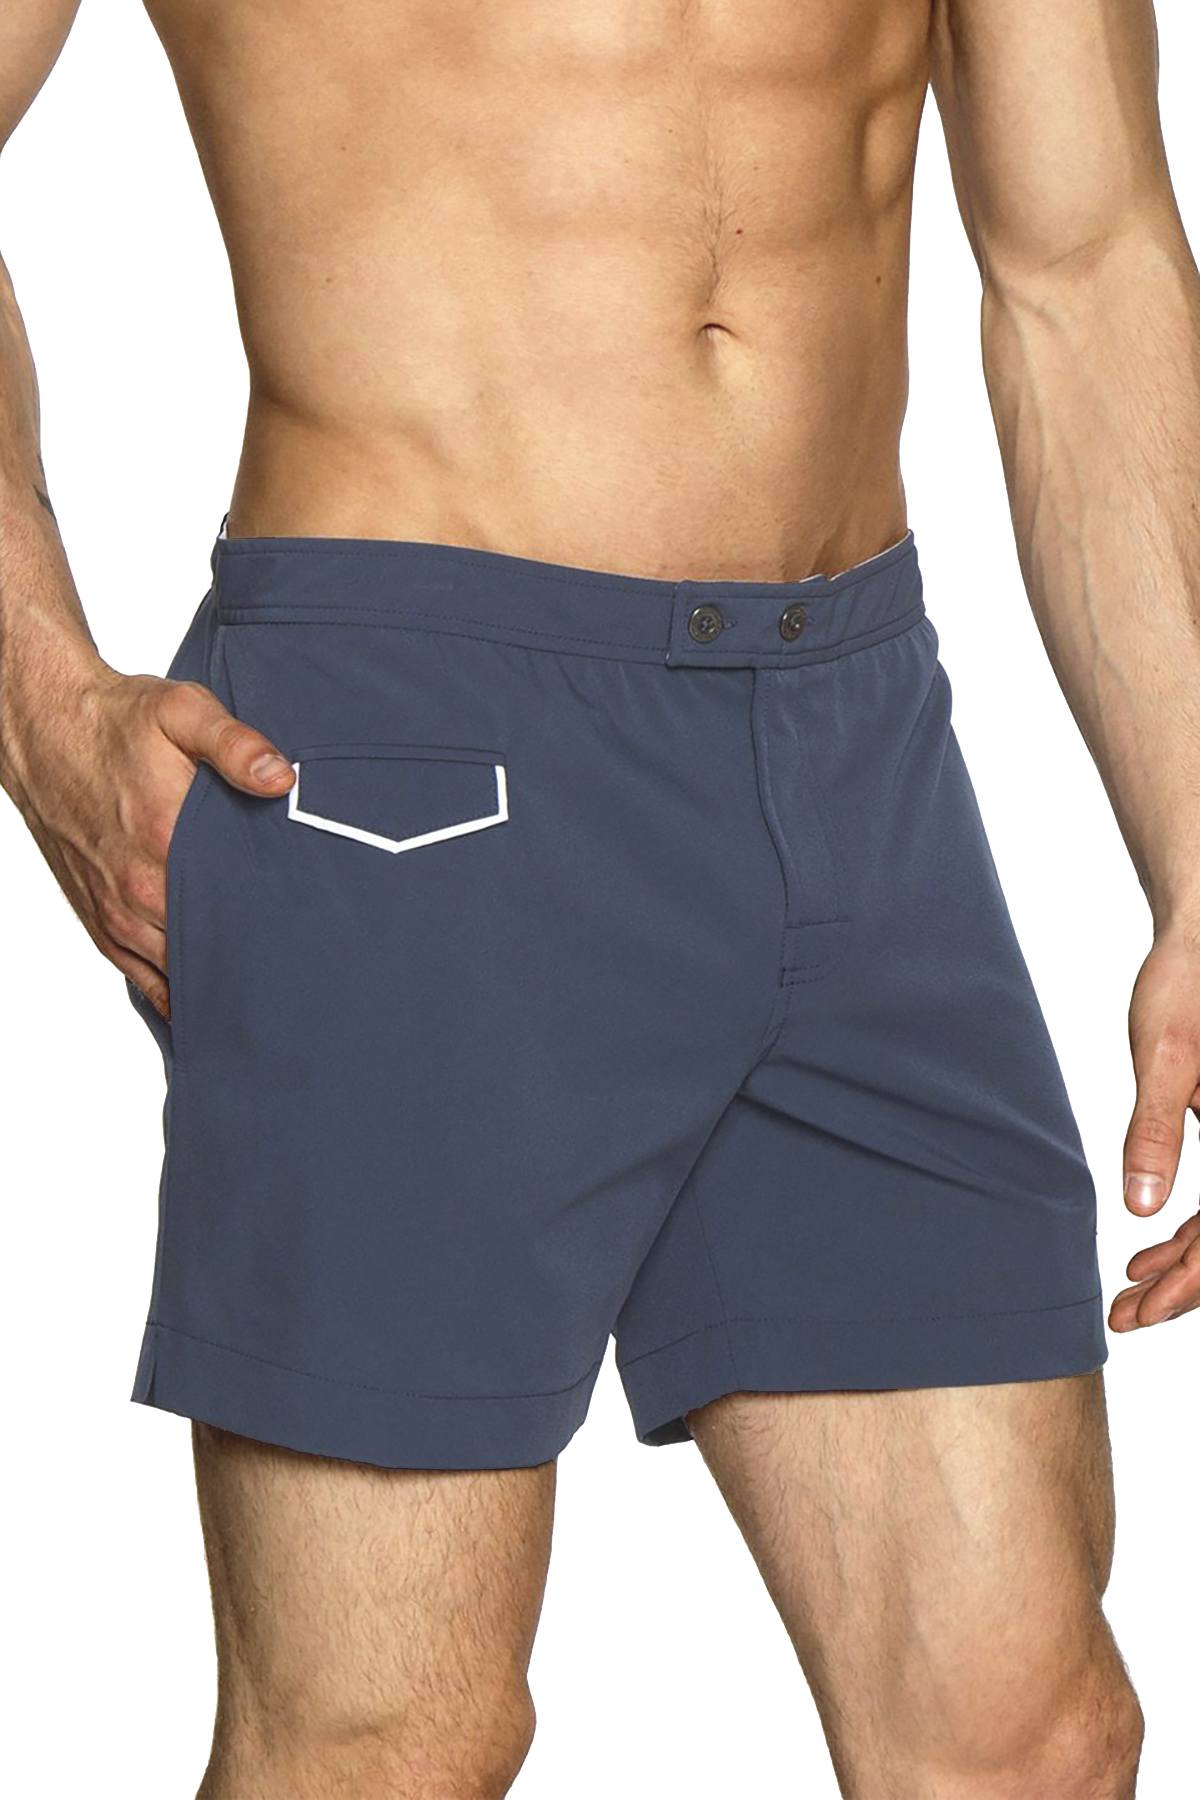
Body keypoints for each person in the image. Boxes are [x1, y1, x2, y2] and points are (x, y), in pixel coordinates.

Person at [1, 2, 1195, 1795]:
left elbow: (1081, 255)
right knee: (389, 1746)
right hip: (411, 740)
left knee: (1026, 1737)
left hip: (855, 736)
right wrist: (42, 701)